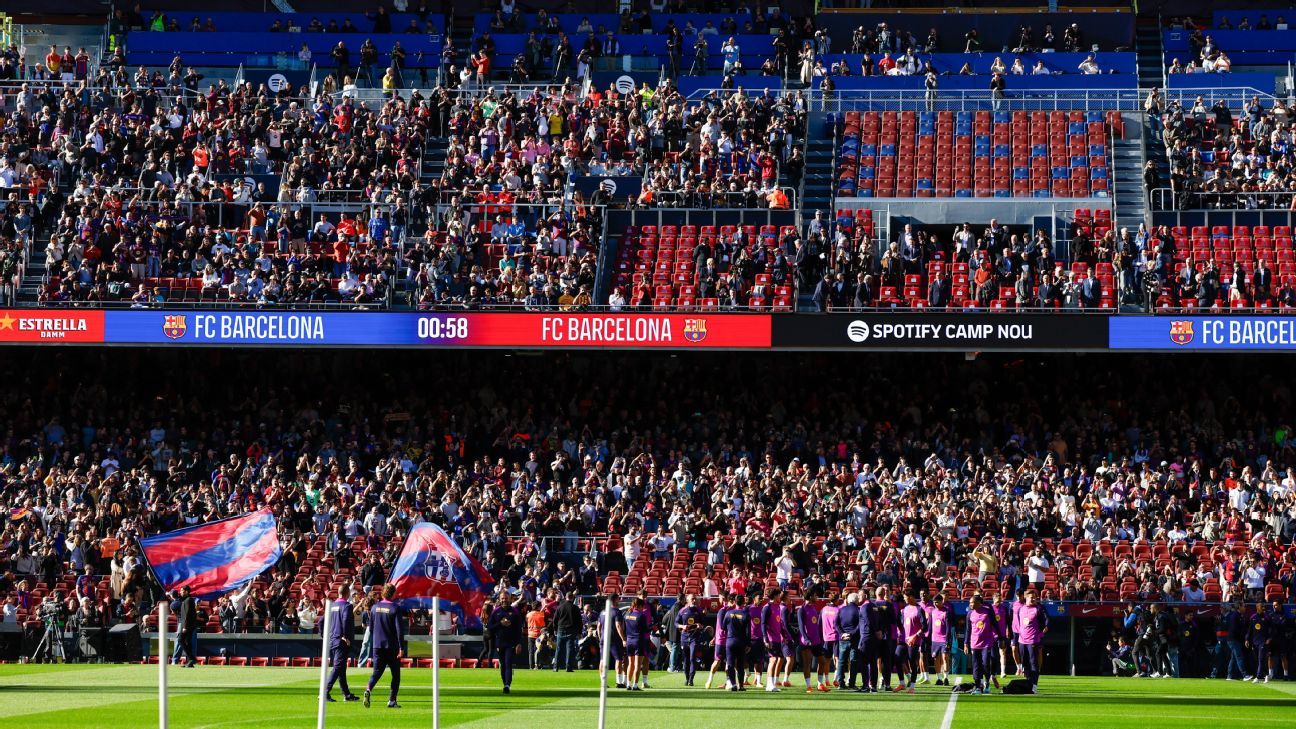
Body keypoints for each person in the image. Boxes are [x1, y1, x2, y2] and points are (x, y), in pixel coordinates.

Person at [363, 584, 403, 709]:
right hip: (391, 646)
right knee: (395, 675)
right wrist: (401, 647)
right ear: (393, 594)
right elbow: (399, 630)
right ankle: (392, 700)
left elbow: (372, 628)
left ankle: (368, 689)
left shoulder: (375, 608)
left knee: (377, 672)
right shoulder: (395, 608)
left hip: (377, 645)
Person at [324, 584, 360, 702]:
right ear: (347, 593)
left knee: (341, 667)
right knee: (338, 666)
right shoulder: (347, 606)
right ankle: (325, 691)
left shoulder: (332, 606)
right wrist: (345, 636)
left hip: (333, 639)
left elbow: (321, 621)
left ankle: (346, 694)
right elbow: (345, 620)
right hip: (341, 641)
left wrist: (324, 634)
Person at [966, 594, 1002, 694]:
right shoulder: (969, 614)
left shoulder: (988, 612)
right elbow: (968, 630)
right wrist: (966, 643)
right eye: (970, 603)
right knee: (976, 665)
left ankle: (986, 682)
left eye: (972, 602)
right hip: (974, 643)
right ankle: (978, 686)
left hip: (987, 642)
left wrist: (1001, 638)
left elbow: (995, 625)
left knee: (986, 664)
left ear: (979, 603)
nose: (970, 604)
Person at [489, 592, 525, 693]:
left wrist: (519, 643)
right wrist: (500, 624)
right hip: (500, 642)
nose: (504, 600)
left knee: (508, 663)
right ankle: (505, 683)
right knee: (503, 664)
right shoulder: (496, 612)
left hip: (511, 642)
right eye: (502, 598)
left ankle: (507, 685)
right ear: (500, 599)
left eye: (506, 598)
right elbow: (490, 627)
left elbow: (519, 629)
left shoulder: (515, 612)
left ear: (510, 599)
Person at [1016, 589, 1048, 692]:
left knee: (1033, 663)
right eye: (1031, 597)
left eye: (1035, 597)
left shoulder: (1038, 609)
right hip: (1022, 641)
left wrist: (1043, 631)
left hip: (1033, 640)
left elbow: (1046, 620)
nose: (1033, 599)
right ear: (1025, 597)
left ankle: (1034, 686)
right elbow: (1018, 623)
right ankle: (1028, 683)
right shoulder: (1020, 609)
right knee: (1025, 664)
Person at [798, 593, 830, 693]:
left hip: (816, 640)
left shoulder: (813, 608)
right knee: (807, 664)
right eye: (815, 596)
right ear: (810, 597)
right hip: (806, 642)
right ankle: (808, 686)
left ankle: (820, 684)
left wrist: (820, 637)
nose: (817, 597)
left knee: (822, 661)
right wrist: (806, 639)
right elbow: (801, 626)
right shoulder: (802, 609)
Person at [723, 593, 750, 691]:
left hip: (730, 641)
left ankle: (733, 684)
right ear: (743, 602)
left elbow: (723, 627)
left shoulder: (728, 613)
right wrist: (748, 644)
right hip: (741, 642)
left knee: (730, 663)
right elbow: (748, 631)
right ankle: (741, 685)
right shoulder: (746, 614)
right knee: (740, 664)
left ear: (734, 602)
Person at [676, 594, 702, 686]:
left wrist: (700, 625)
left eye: (695, 599)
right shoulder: (682, 611)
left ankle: (691, 678)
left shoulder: (699, 610)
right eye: (692, 599)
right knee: (686, 659)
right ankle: (687, 678)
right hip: (684, 637)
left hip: (694, 637)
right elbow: (676, 623)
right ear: (688, 600)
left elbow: (703, 623)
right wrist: (682, 626)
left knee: (692, 658)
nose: (694, 600)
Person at [623, 596, 648, 690]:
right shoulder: (641, 616)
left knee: (630, 663)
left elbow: (624, 628)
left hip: (629, 640)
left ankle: (628, 684)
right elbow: (645, 629)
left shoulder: (627, 614)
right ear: (640, 606)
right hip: (639, 641)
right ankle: (635, 685)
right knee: (638, 665)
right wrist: (651, 627)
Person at [928, 594, 953, 686]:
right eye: (934, 602)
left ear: (942, 601)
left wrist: (947, 640)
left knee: (945, 658)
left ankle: (946, 677)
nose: (935, 604)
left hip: (943, 640)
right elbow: (930, 626)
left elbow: (948, 628)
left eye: (937, 602)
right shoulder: (932, 612)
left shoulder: (946, 612)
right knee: (936, 659)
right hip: (934, 640)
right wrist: (927, 636)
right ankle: (939, 678)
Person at [552, 592, 580, 672]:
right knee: (570, 649)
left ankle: (555, 667)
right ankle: (568, 667)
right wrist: (579, 631)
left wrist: (555, 629)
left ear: (566, 597)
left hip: (560, 629)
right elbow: (579, 621)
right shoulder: (575, 608)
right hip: (571, 630)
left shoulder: (559, 607)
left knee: (559, 649)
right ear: (572, 598)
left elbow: (555, 620)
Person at [171, 586, 198, 668]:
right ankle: (190, 662)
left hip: (187, 625)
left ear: (186, 591)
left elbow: (187, 614)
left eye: (182, 591)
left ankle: (192, 658)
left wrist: (184, 626)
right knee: (187, 642)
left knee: (180, 640)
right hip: (188, 625)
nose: (180, 592)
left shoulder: (188, 600)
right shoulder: (185, 600)